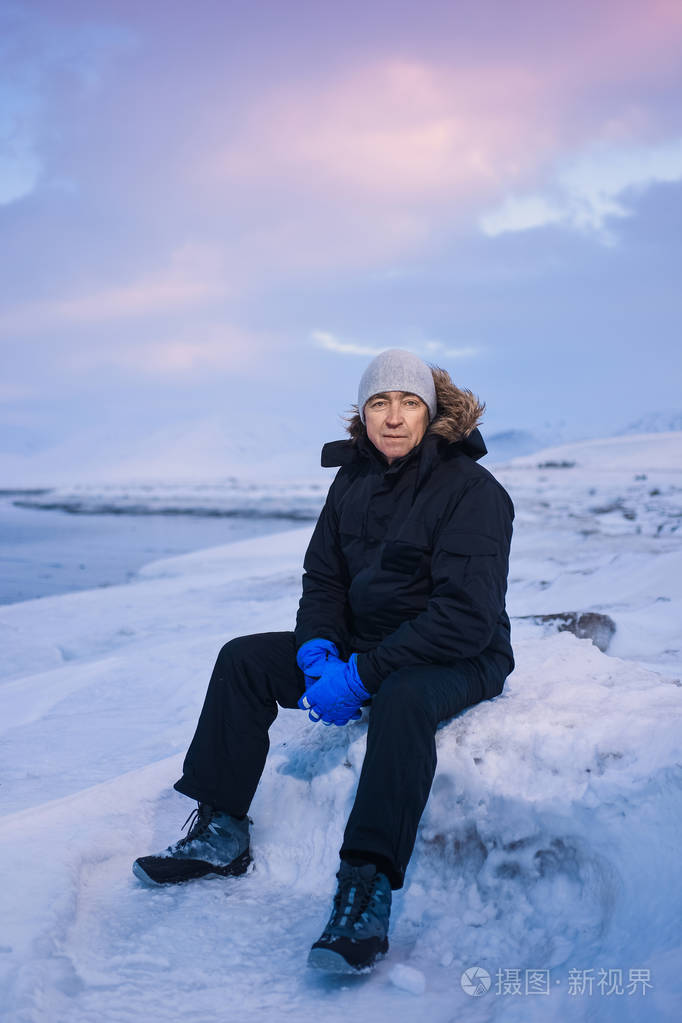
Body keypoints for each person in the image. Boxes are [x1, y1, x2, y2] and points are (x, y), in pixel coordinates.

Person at [133, 348, 515, 974]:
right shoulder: (352, 479)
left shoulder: (472, 491)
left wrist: (362, 674)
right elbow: (324, 578)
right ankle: (222, 830)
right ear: (362, 414)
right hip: (364, 643)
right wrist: (317, 650)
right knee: (244, 660)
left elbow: (464, 618)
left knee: (403, 698)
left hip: (460, 652)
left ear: (431, 412)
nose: (393, 417)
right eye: (379, 403)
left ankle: (365, 885)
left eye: (408, 402)